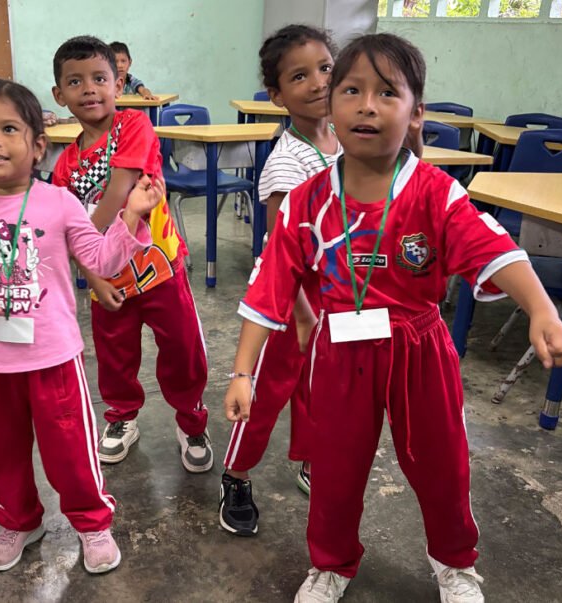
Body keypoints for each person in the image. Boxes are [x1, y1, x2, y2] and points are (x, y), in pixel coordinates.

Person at [222, 33, 562, 603]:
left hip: (419, 349)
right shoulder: (305, 201)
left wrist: (539, 308)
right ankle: (330, 564)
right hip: (338, 353)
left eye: (388, 93)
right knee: (334, 471)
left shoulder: (435, 193)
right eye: (352, 90)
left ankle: (455, 565)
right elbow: (269, 289)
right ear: (332, 107)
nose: (367, 105)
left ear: (416, 112)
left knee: (443, 469)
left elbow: (494, 249)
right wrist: (242, 371)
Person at [0, 77, 163, 574]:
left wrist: (132, 217)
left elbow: (99, 258)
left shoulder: (59, 202)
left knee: (69, 450)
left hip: (53, 358)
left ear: (38, 146)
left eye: (8, 129)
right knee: (0, 448)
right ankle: (19, 519)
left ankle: (92, 523)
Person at [50, 36, 212, 473]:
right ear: (58, 95)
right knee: (114, 357)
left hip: (160, 270)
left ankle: (192, 420)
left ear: (118, 83)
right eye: (75, 81)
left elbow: (121, 187)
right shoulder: (64, 165)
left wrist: (92, 243)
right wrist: (95, 273)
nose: (89, 88)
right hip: (108, 281)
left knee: (182, 349)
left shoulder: (134, 126)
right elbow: (66, 231)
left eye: (99, 78)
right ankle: (122, 418)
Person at [219, 24, 340, 537]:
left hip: (339, 291)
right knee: (266, 393)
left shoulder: (344, 138)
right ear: (277, 95)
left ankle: (312, 459)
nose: (317, 83)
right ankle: (236, 473)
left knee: (323, 388)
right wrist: (303, 316)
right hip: (290, 301)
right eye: (300, 76)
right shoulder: (286, 163)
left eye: (326, 69)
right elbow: (279, 256)